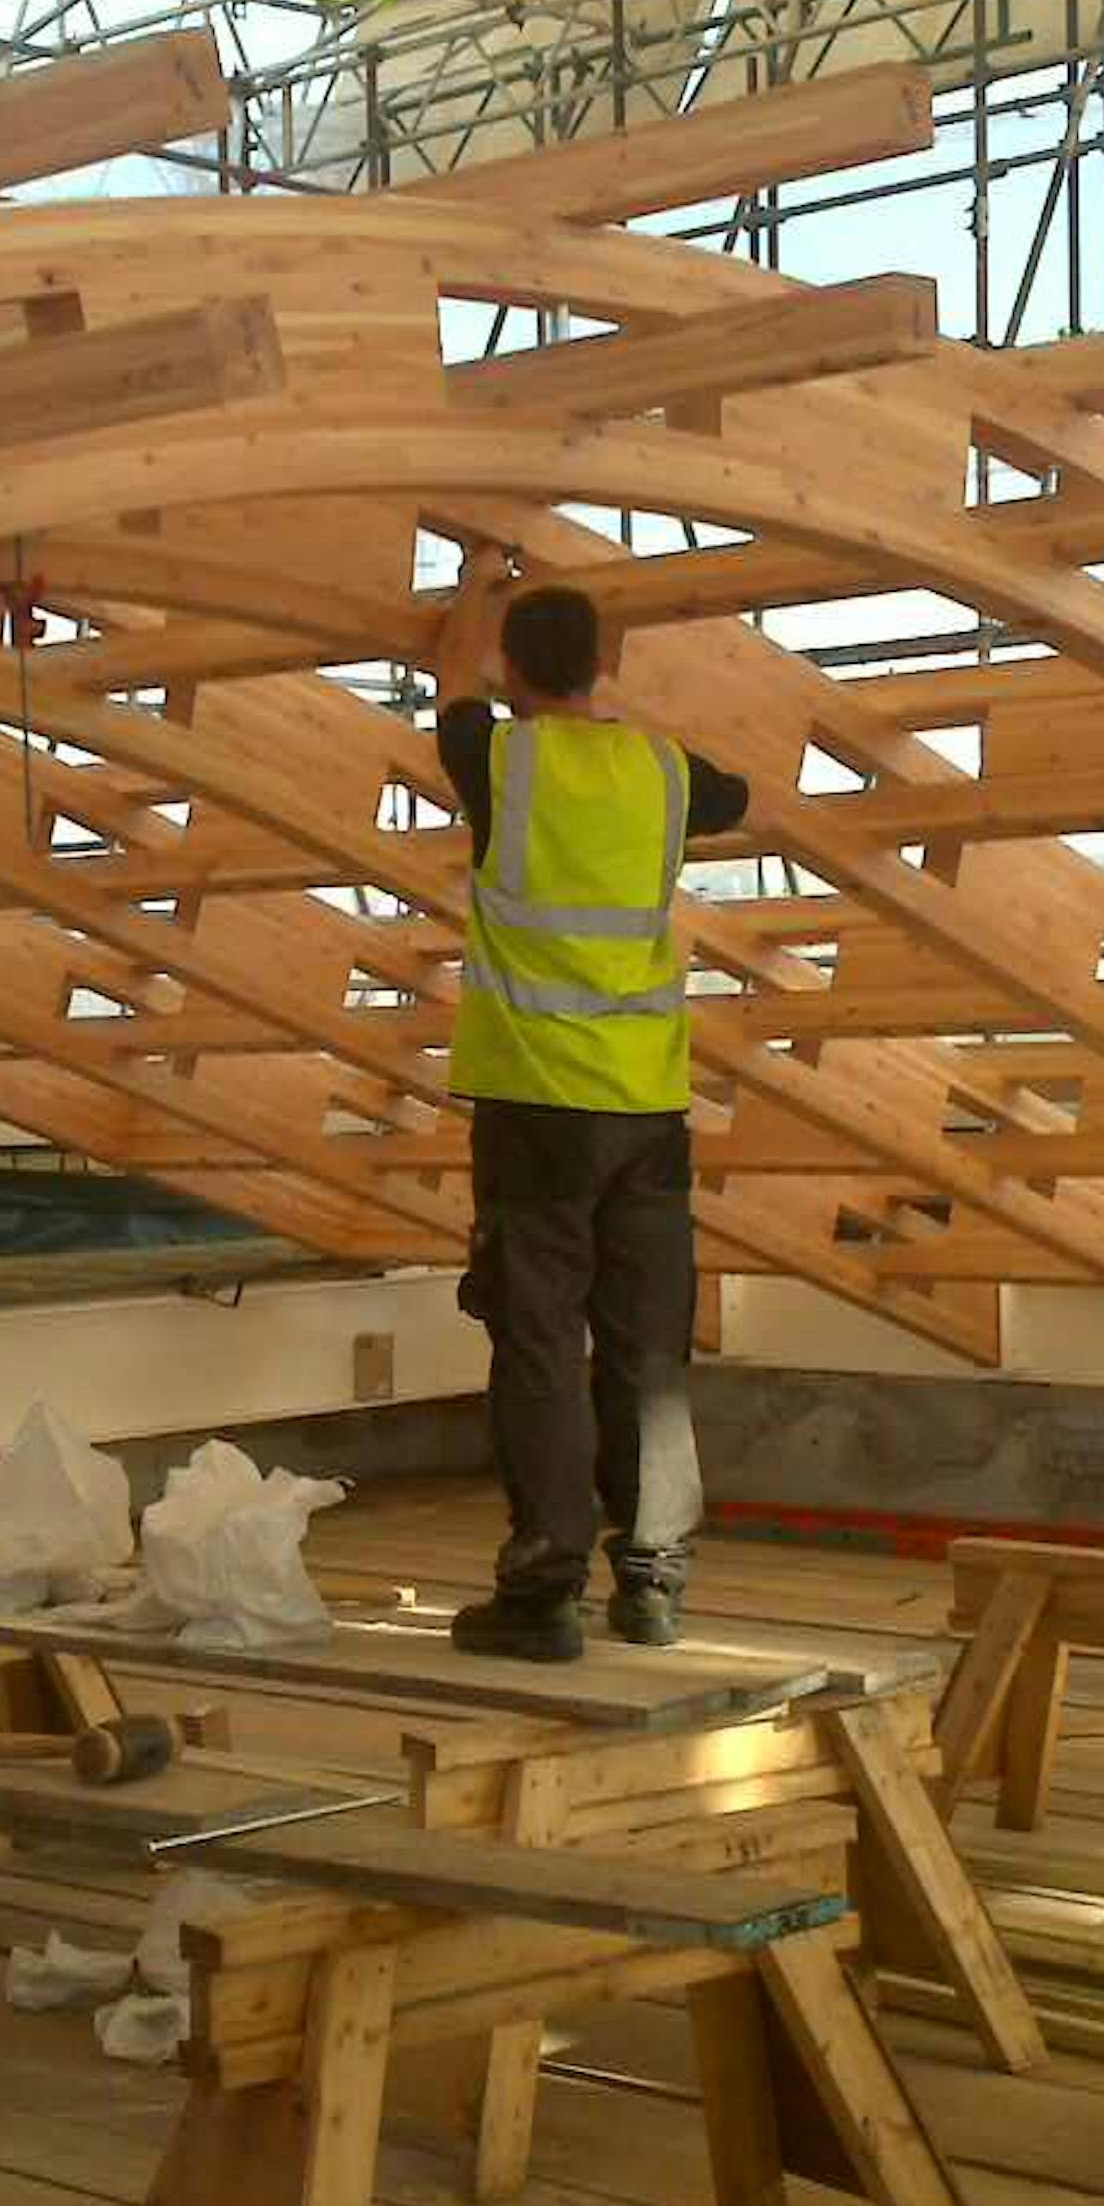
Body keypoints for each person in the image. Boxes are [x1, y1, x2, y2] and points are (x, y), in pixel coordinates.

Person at [432, 562, 751, 1662]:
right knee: (645, 1350)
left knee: (535, 1340)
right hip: (648, 1112)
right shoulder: (663, 774)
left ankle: (544, 1589)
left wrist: (475, 592)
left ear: (515, 669)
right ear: (608, 667)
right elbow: (737, 796)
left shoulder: (498, 758)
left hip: (534, 1106)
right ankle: (654, 1581)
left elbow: (449, 684)